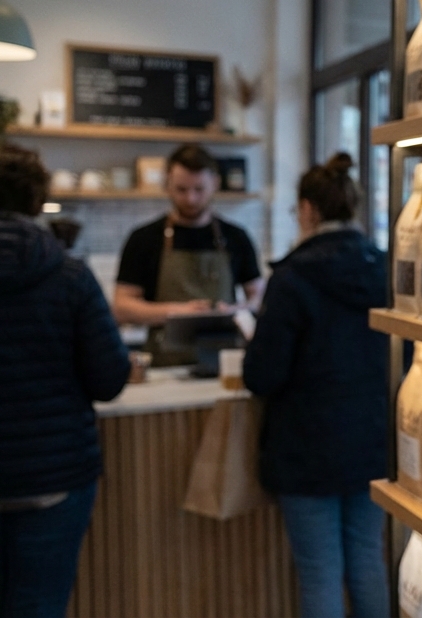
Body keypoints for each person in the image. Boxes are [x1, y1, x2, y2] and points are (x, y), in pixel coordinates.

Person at [243, 153, 390, 618]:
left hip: (307, 449)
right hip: (375, 442)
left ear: (307, 209)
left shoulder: (292, 279)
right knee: (368, 558)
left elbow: (262, 375)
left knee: (320, 571)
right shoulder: (385, 270)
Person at [0, 145, 130, 617]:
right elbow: (109, 378)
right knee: (38, 606)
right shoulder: (69, 275)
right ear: (37, 200)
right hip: (52, 479)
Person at [112, 144, 263, 366]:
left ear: (215, 184)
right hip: (165, 366)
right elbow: (122, 307)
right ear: (168, 185)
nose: (190, 199)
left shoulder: (236, 237)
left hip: (225, 364)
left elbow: (259, 299)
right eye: (181, 190)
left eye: (199, 189)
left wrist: (234, 311)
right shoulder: (144, 238)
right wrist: (178, 312)